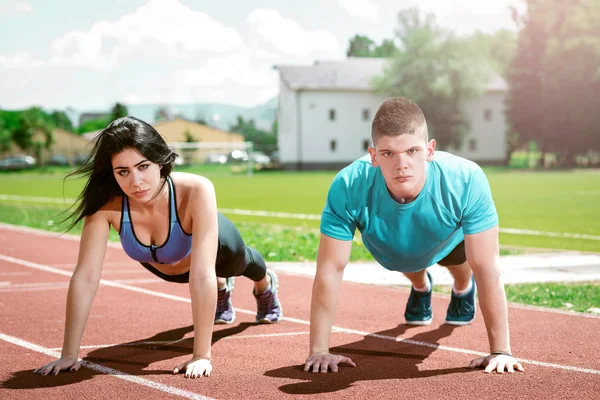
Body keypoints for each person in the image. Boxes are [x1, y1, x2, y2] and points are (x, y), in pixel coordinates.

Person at [33, 116, 282, 379]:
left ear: (160, 161)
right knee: (208, 278)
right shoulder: (106, 205)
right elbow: (85, 277)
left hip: (218, 250)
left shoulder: (196, 189)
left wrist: (201, 356)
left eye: (143, 166)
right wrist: (69, 354)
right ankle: (221, 290)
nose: (136, 181)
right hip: (167, 267)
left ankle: (265, 286)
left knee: (242, 263)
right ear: (112, 172)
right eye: (123, 172)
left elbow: (202, 274)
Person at [303, 97, 524, 375]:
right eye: (388, 154)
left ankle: (462, 287)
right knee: (404, 256)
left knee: (465, 267)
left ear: (430, 150)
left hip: (448, 239)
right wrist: (319, 351)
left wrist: (501, 351)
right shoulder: (348, 185)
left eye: (412, 150)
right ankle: (421, 286)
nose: (401, 164)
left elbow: (488, 268)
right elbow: (330, 269)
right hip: (392, 245)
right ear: (373, 156)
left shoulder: (466, 180)